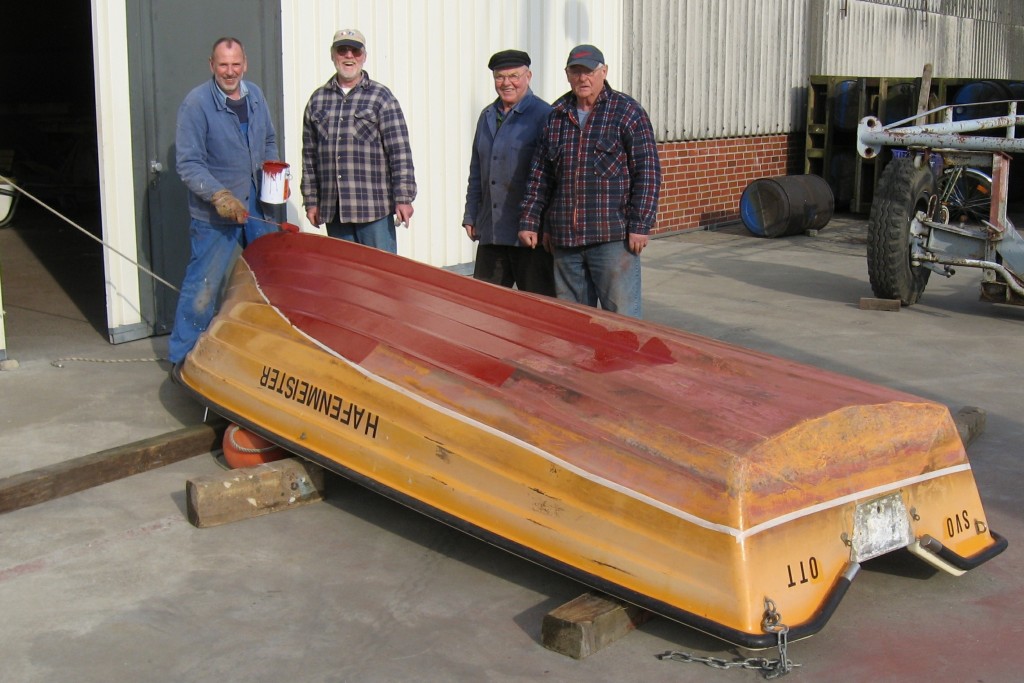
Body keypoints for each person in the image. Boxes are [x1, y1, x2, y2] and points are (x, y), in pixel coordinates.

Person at [518, 44, 661, 318]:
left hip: (612, 240)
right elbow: (541, 176)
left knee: (622, 321)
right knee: (573, 323)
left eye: (589, 71)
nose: (583, 78)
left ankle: (622, 363)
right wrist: (532, 221)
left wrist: (640, 225)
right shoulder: (556, 116)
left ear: (603, 72)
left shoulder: (627, 112)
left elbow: (648, 172)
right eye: (576, 71)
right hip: (565, 242)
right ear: (567, 74)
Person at [168, 36, 280, 366]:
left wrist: (273, 174)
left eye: (235, 64)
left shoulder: (255, 95)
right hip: (215, 216)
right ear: (211, 65)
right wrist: (219, 194)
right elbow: (188, 163)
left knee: (267, 282)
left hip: (258, 207)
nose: (230, 72)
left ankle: (261, 350)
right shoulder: (196, 104)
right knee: (202, 290)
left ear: (244, 64)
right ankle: (183, 360)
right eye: (223, 65)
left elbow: (269, 140)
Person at [301, 29, 417, 253]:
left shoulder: (381, 97)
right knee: (343, 278)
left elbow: (399, 152)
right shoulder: (317, 100)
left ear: (363, 56)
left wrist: (403, 197)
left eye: (355, 50)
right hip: (334, 211)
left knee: (382, 276)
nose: (348, 56)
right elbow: (309, 157)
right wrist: (311, 200)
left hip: (373, 210)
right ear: (333, 55)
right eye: (342, 50)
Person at [462, 50, 555, 295]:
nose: (506, 83)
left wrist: (545, 226)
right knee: (486, 308)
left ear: (528, 76)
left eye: (514, 76)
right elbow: (476, 171)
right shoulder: (487, 116)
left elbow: (552, 178)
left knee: (537, 309)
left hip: (529, 236)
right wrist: (471, 213)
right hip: (492, 231)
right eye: (499, 77)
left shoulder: (545, 116)